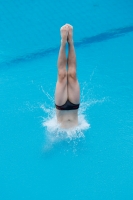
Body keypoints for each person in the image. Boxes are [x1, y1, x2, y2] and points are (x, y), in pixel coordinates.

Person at [55, 24, 80, 129]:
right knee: (71, 75)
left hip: (61, 107)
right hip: (74, 106)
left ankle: (63, 43)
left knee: (62, 76)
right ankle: (70, 42)